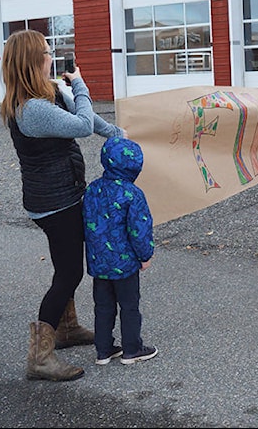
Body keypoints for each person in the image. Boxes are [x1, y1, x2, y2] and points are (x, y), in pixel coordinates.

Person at [0, 29, 124, 382]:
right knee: (69, 272)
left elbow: (89, 120)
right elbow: (82, 125)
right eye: (46, 51)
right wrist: (81, 85)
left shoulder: (50, 92)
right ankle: (40, 356)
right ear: (33, 60)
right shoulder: (32, 109)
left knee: (65, 266)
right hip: (53, 203)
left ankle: (67, 328)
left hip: (65, 195)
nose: (51, 56)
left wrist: (117, 133)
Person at [83, 136, 158, 366]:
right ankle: (131, 348)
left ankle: (104, 350)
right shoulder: (132, 194)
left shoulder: (93, 189)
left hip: (99, 263)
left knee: (103, 307)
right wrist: (145, 255)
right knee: (129, 306)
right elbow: (139, 228)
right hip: (125, 265)